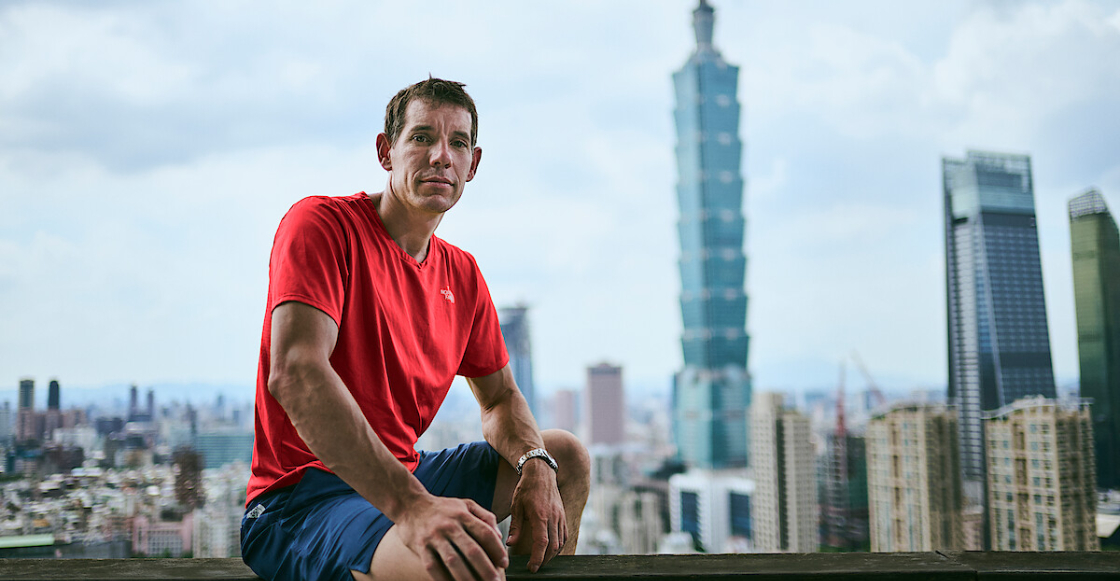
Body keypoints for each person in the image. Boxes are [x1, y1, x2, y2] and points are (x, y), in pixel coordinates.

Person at [240, 77, 590, 581]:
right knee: (451, 560)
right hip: (301, 499)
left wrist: (534, 460)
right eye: (422, 137)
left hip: (406, 477)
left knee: (565, 458)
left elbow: (500, 400)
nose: (441, 156)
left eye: (458, 143)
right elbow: (296, 373)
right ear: (387, 152)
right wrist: (414, 508)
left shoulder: (462, 274)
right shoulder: (322, 225)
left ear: (473, 164)